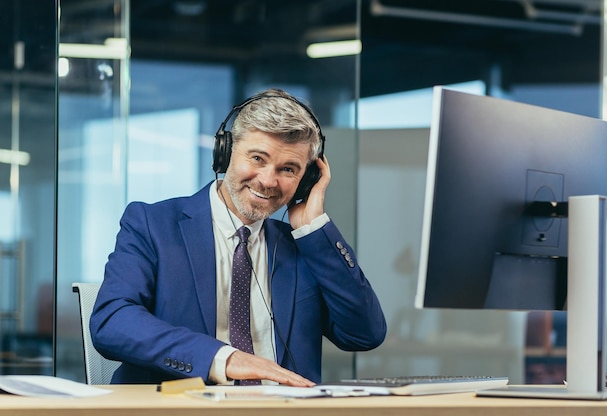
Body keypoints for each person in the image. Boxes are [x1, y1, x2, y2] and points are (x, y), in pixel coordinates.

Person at [90, 88, 387, 386]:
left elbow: (365, 333)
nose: (269, 180)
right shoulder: (152, 225)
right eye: (258, 158)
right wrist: (225, 358)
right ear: (226, 151)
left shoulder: (305, 246)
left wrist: (314, 229)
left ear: (306, 179)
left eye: (288, 169)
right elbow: (112, 321)